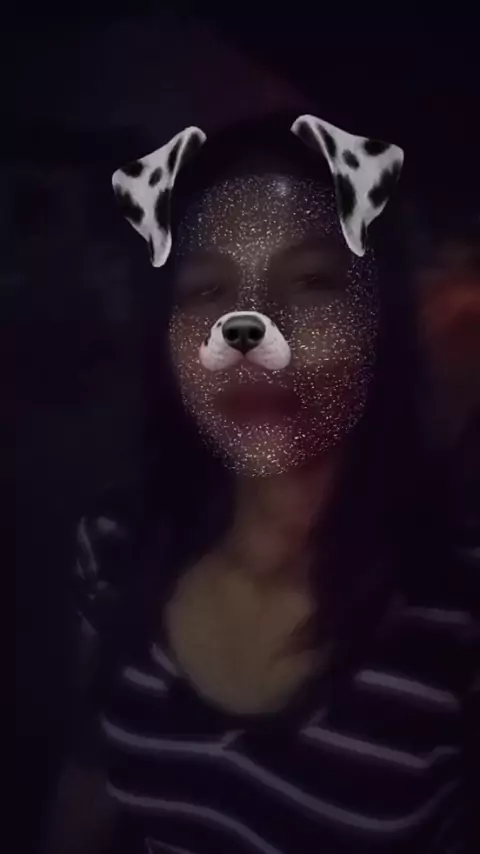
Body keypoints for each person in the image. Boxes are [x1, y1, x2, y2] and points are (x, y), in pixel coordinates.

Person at [52, 114, 479, 854]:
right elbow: (88, 773)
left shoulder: (457, 610)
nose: (250, 326)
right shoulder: (114, 547)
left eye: (311, 280)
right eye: (207, 288)